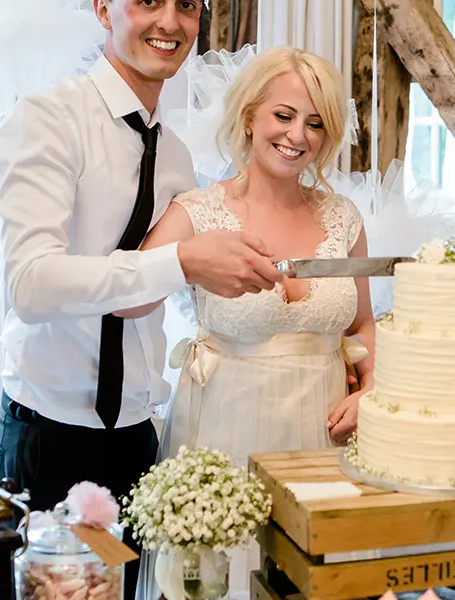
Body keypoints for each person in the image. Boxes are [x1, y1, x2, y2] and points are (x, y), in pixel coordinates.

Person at [0, 0, 282, 599]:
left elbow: (168, 289)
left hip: (135, 443)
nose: (170, 21)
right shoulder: (47, 118)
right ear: (103, 9)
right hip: (49, 438)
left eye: (187, 4)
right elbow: (30, 284)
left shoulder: (177, 156)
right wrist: (181, 262)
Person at [130, 46, 377, 598]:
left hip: (324, 436)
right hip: (226, 431)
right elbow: (130, 295)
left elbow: (363, 325)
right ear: (249, 116)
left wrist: (371, 391)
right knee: (228, 577)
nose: (297, 135)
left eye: (315, 123)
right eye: (284, 116)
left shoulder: (343, 217)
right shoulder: (196, 212)